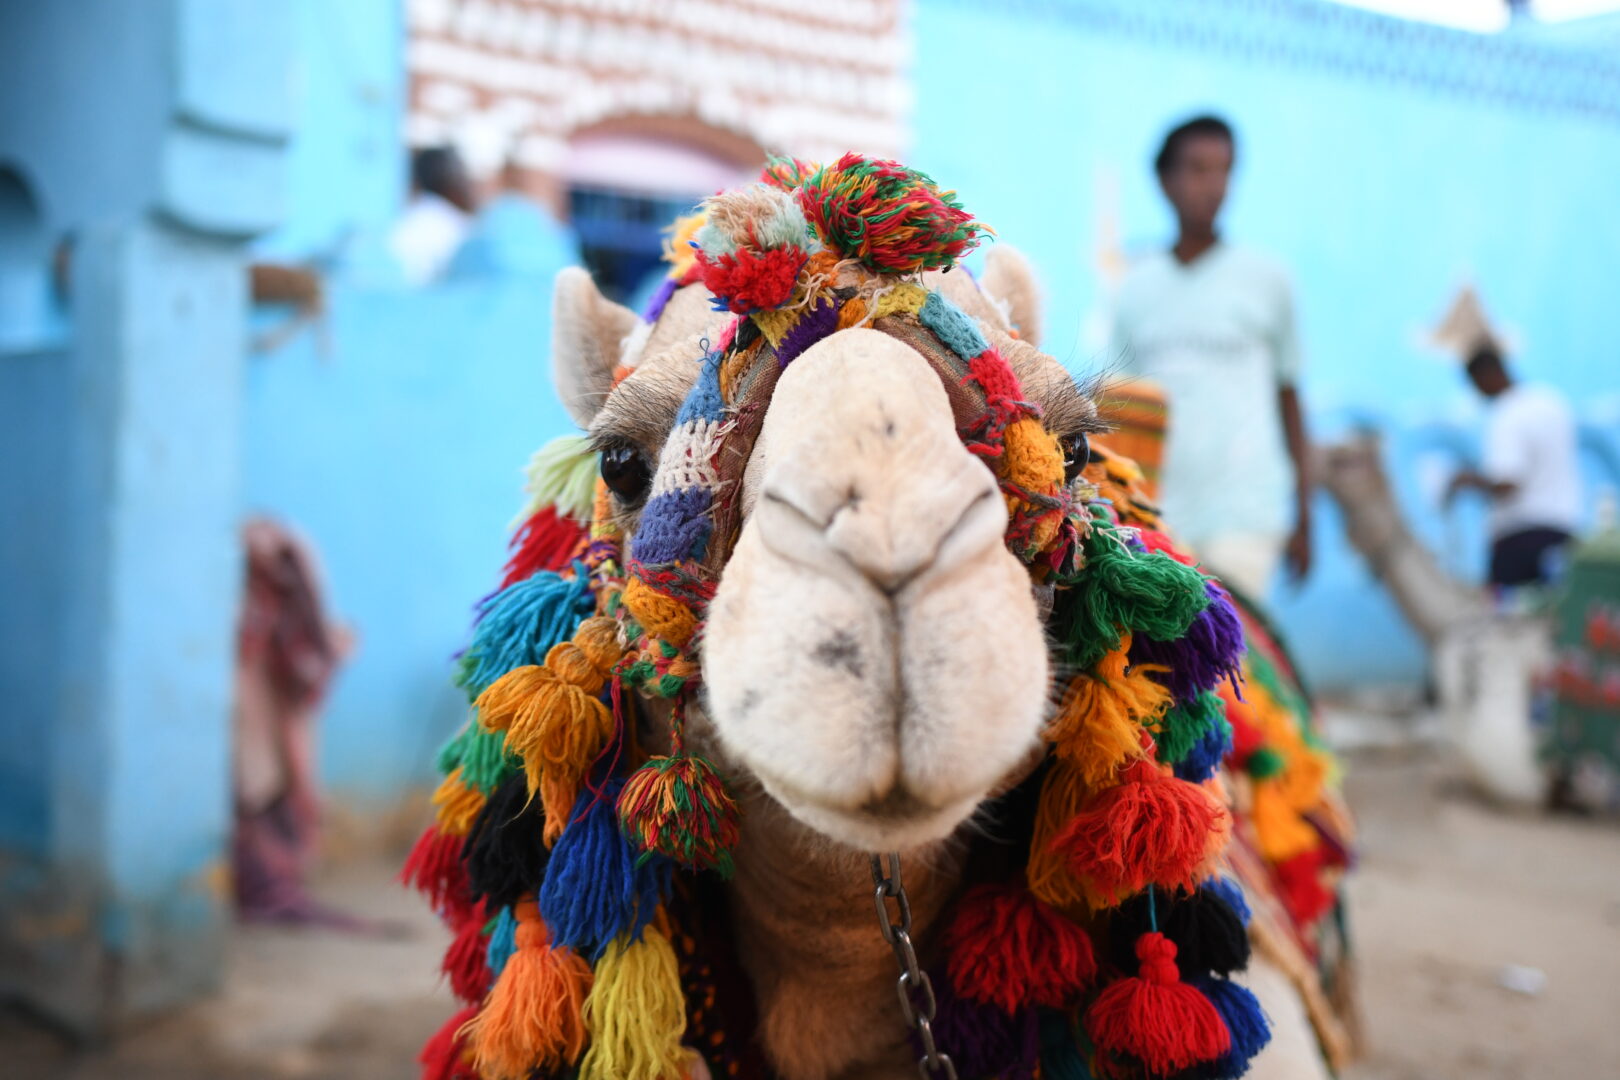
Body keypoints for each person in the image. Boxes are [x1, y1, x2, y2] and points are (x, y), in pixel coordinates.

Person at [1110, 115, 1312, 600]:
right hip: (1158, 516)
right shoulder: (1134, 290)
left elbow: (1289, 399)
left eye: (1224, 170)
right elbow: (1121, 412)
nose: (1215, 185)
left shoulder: (1267, 280)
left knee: (1225, 662)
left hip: (1246, 513)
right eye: (1198, 169)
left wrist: (1305, 516)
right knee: (1161, 663)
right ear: (1165, 181)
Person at [1446, 342, 1581, 587]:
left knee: (1507, 623)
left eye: (1477, 385)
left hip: (1518, 542)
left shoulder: (1507, 412)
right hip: (1562, 536)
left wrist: (1467, 480)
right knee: (1554, 620)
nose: (1479, 394)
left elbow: (1508, 484)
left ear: (1487, 374)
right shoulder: (1553, 402)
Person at [390, 146, 476, 286]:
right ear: (450, 178)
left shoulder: (406, 221)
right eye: (462, 175)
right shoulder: (455, 226)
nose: (468, 184)